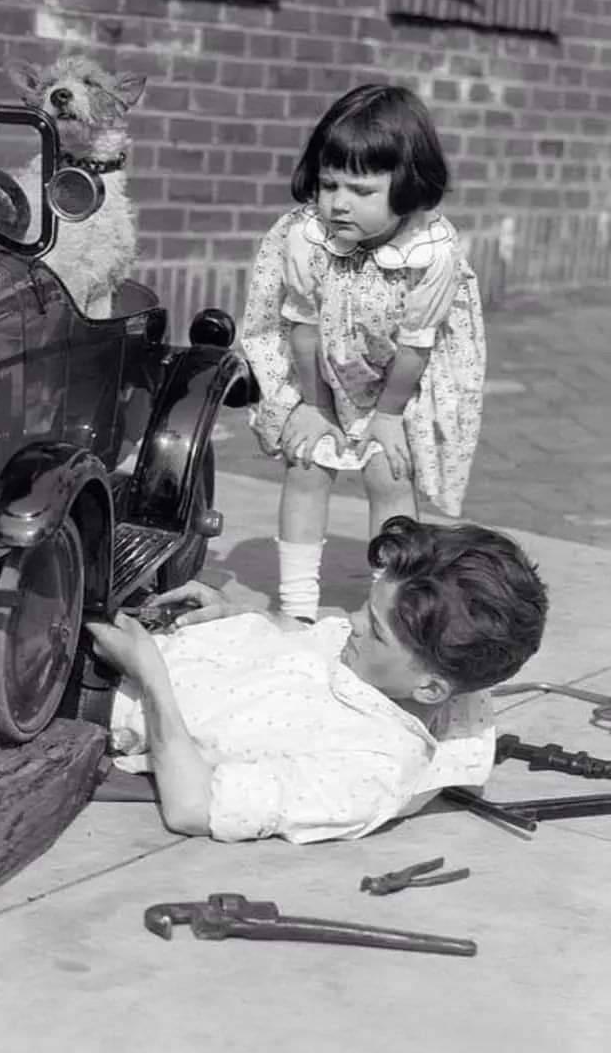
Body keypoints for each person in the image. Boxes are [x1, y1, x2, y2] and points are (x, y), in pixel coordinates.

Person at [86, 516, 547, 845]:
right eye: (366, 608)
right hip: (134, 643)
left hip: (95, 694)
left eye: (376, 629)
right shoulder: (387, 668)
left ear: (429, 689)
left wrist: (150, 675)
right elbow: (306, 642)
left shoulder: (370, 770)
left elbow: (193, 808)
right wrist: (236, 614)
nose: (352, 621)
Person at [241, 83, 485, 622]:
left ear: (408, 187)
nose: (338, 203)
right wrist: (315, 405)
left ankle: (387, 610)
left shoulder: (429, 253)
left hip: (400, 376)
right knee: (305, 461)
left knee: (389, 475)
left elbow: (419, 344)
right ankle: (297, 608)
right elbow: (301, 324)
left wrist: (388, 416)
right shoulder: (308, 236)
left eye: (361, 190)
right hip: (321, 366)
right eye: (329, 185)